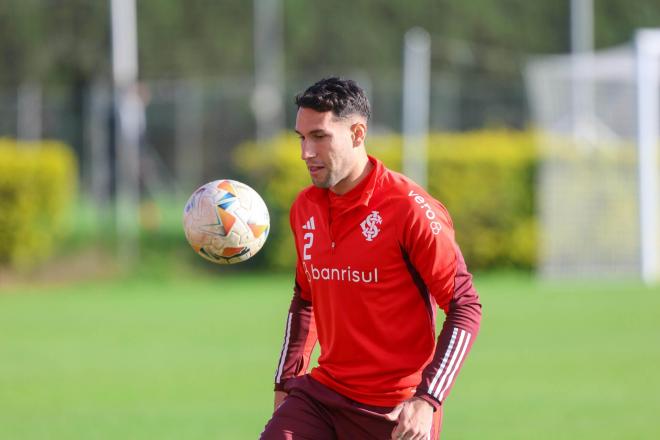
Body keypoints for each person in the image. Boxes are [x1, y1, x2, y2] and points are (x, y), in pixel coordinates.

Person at [260, 77, 482, 440]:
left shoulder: (409, 208)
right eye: (301, 138)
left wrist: (427, 400)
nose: (306, 153)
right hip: (323, 396)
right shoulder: (305, 207)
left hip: (396, 410)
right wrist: (286, 382)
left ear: (357, 134)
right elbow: (305, 298)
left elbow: (464, 305)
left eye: (319, 137)